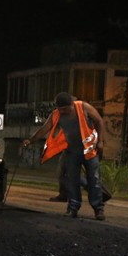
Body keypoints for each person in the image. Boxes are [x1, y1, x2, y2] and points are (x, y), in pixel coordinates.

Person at [22, 92, 106, 220]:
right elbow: (44, 129)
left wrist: (100, 141)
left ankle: (98, 209)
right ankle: (73, 208)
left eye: (65, 109)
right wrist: (31, 140)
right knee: (72, 180)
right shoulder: (56, 115)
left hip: (90, 150)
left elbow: (99, 121)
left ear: (71, 104)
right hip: (72, 152)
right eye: (60, 109)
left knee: (94, 180)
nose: (63, 111)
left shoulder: (83, 107)